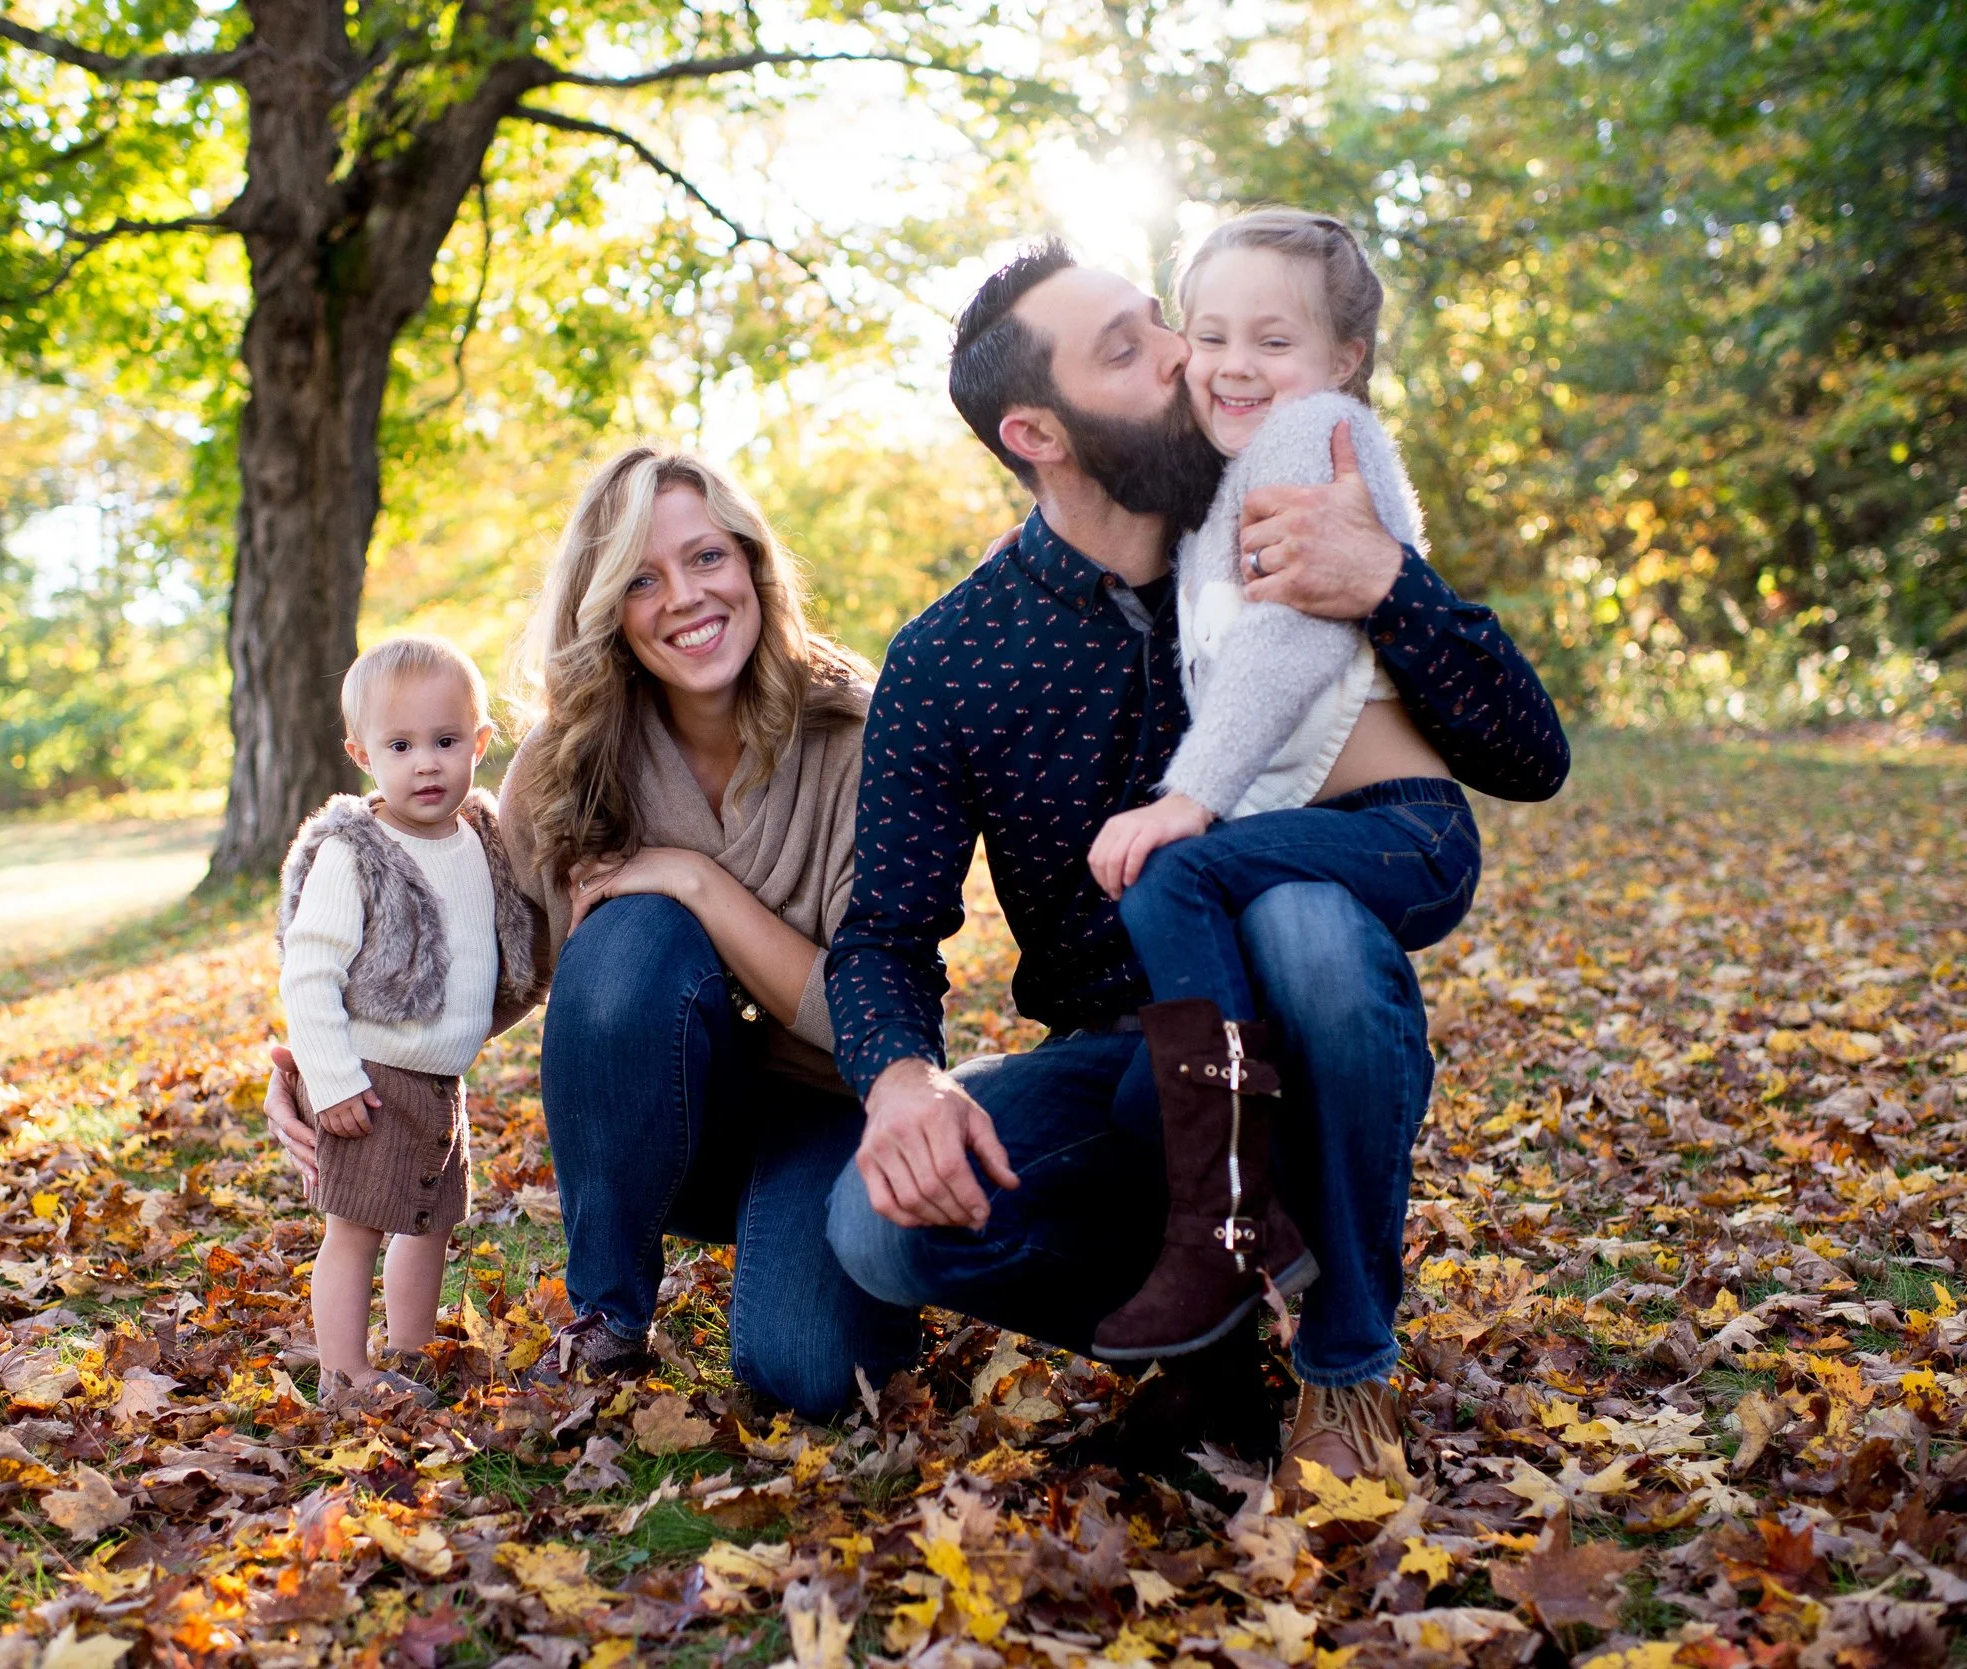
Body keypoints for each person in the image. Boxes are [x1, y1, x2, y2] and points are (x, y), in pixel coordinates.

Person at [823, 239, 1568, 1486]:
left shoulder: (1281, 511)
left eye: (1160, 320)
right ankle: (1213, 1353)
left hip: (1305, 1026)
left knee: (1306, 927)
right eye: (1130, 349)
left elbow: (1528, 756)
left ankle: (1344, 1367)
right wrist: (900, 1080)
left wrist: (1388, 580)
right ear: (1037, 435)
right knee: (873, 1229)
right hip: (1120, 1063)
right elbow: (884, 932)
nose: (1186, 355)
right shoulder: (952, 655)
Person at [268, 446, 918, 1419]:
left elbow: (870, 1015)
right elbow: (507, 970)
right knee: (628, 935)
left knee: (812, 1376)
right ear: (606, 607)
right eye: (640, 580)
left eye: (707, 557)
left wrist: (694, 880)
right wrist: (329, 1062)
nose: (685, 597)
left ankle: (801, 1225)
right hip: (664, 1129)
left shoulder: (857, 735)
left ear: (752, 564)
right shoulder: (569, 760)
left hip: (827, 1107)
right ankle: (610, 1318)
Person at [1081, 210, 1483, 1364]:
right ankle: (1249, 1211)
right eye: (1209, 335)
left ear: (1343, 358)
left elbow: (1295, 633)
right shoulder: (1219, 486)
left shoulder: (1314, 433)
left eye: (1273, 339)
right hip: (1325, 835)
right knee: (1183, 918)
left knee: (1170, 875)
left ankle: (1229, 1217)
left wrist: (1188, 797)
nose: (1234, 365)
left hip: (1401, 826)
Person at [276, 636, 543, 1405]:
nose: (426, 763)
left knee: (429, 1221)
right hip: (367, 1075)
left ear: (480, 744)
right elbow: (309, 969)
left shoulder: (483, 841)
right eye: (401, 746)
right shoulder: (357, 852)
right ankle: (345, 1373)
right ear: (362, 755)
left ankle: (411, 1348)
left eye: (445, 741)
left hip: (437, 1082)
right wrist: (330, 1079)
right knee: (355, 1228)